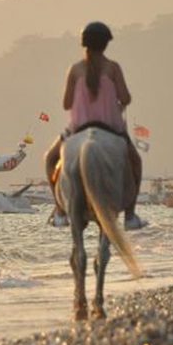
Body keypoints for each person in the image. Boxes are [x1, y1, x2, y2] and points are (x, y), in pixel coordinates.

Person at [45, 21, 145, 230]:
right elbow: (126, 97)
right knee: (136, 163)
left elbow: (66, 104)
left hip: (78, 129)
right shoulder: (113, 68)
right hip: (111, 128)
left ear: (84, 44)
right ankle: (130, 215)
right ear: (106, 44)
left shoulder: (75, 69)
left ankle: (60, 211)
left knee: (50, 159)